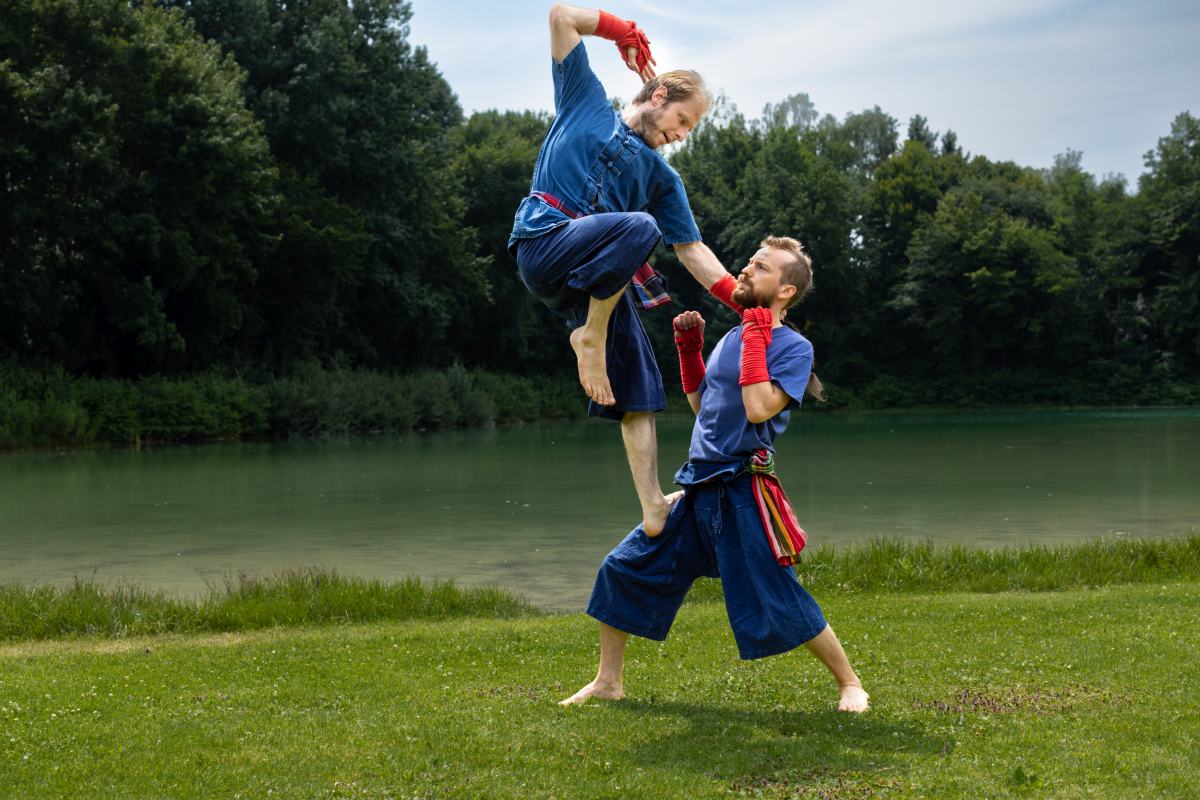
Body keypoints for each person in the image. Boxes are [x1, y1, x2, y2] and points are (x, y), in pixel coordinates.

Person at [560, 236, 870, 713]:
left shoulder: (793, 348)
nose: (744, 270)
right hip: (697, 489)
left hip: (743, 491)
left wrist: (755, 337)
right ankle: (608, 681)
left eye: (760, 267)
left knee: (775, 591)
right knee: (623, 566)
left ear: (786, 291)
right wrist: (690, 351)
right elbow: (704, 406)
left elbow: (757, 406)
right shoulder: (735, 336)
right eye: (749, 262)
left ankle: (849, 683)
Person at [509, 4, 744, 535]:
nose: (683, 134)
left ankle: (653, 506)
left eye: (691, 129)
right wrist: (624, 34)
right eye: (683, 120)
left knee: (640, 388)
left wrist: (745, 303)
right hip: (543, 244)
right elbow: (561, 17)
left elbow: (693, 252)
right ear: (659, 96)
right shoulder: (586, 102)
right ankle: (589, 340)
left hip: (594, 284)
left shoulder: (664, 181)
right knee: (640, 228)